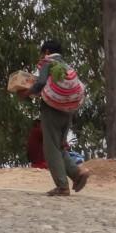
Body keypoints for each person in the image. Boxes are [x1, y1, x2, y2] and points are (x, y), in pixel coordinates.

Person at [23, 40, 90, 196]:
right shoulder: (66, 66)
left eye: (42, 53)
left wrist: (27, 93)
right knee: (59, 146)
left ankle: (62, 186)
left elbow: (40, 83)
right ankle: (77, 174)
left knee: (51, 148)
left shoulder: (48, 63)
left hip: (52, 110)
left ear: (47, 51)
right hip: (68, 110)